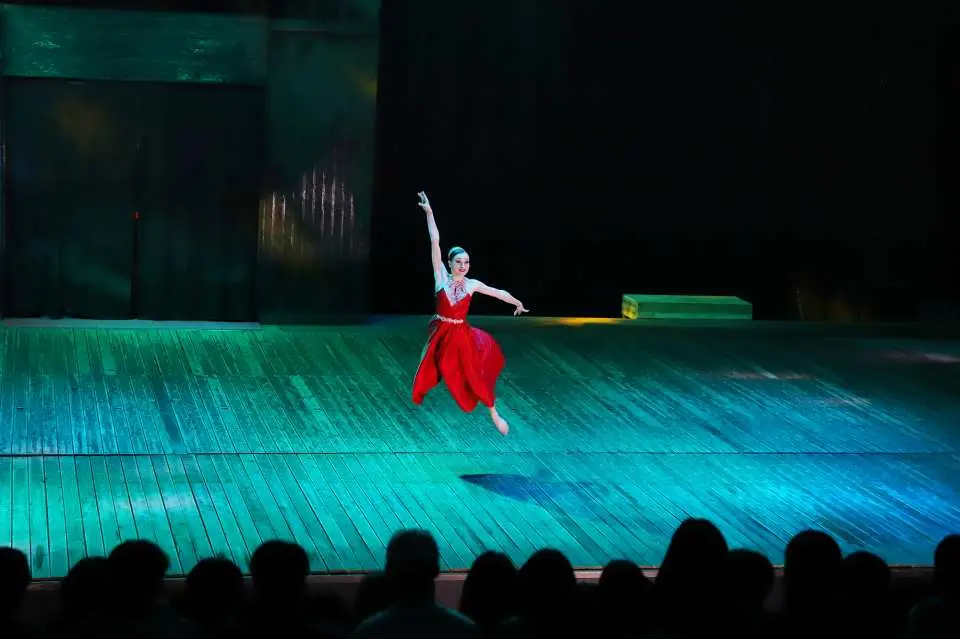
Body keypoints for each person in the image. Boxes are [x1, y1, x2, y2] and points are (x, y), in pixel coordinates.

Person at [411, 191, 528, 435]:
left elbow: (497, 292)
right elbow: (435, 242)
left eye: (466, 263)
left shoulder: (472, 284)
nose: (463, 266)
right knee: (437, 370)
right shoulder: (441, 278)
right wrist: (429, 213)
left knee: (474, 376)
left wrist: (516, 302)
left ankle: (494, 413)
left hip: (462, 335)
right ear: (450, 263)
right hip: (443, 333)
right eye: (459, 262)